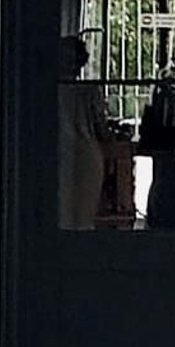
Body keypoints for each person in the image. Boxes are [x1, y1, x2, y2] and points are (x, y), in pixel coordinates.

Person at [58, 34, 111, 230]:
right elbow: (102, 130)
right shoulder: (89, 91)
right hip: (87, 154)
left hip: (57, 153)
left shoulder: (46, 90)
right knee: (83, 216)